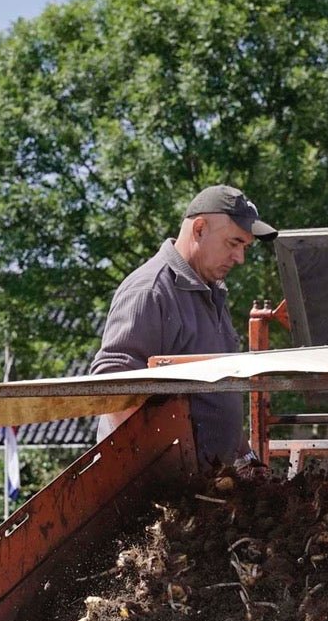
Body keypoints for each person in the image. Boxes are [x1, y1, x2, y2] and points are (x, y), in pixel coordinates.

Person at [92, 185, 277, 469]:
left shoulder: (212, 293)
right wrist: (164, 469)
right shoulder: (151, 291)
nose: (240, 258)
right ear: (200, 229)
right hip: (158, 488)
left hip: (205, 483)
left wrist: (246, 458)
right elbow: (112, 386)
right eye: (233, 243)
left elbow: (216, 399)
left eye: (245, 247)